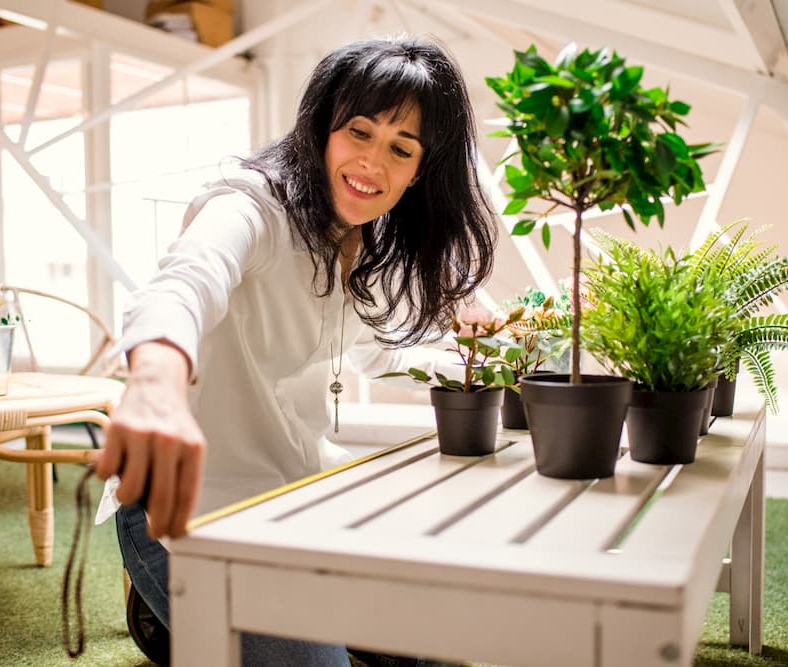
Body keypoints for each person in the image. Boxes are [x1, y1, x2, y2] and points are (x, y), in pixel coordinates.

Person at [94, 36, 497, 666]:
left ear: (420, 171)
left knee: (438, 645)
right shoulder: (250, 204)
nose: (372, 162)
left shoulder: (358, 239)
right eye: (358, 132)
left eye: (401, 149)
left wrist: (487, 362)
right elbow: (183, 282)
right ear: (322, 128)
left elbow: (377, 355)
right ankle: (163, 604)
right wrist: (154, 385)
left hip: (302, 498)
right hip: (187, 515)